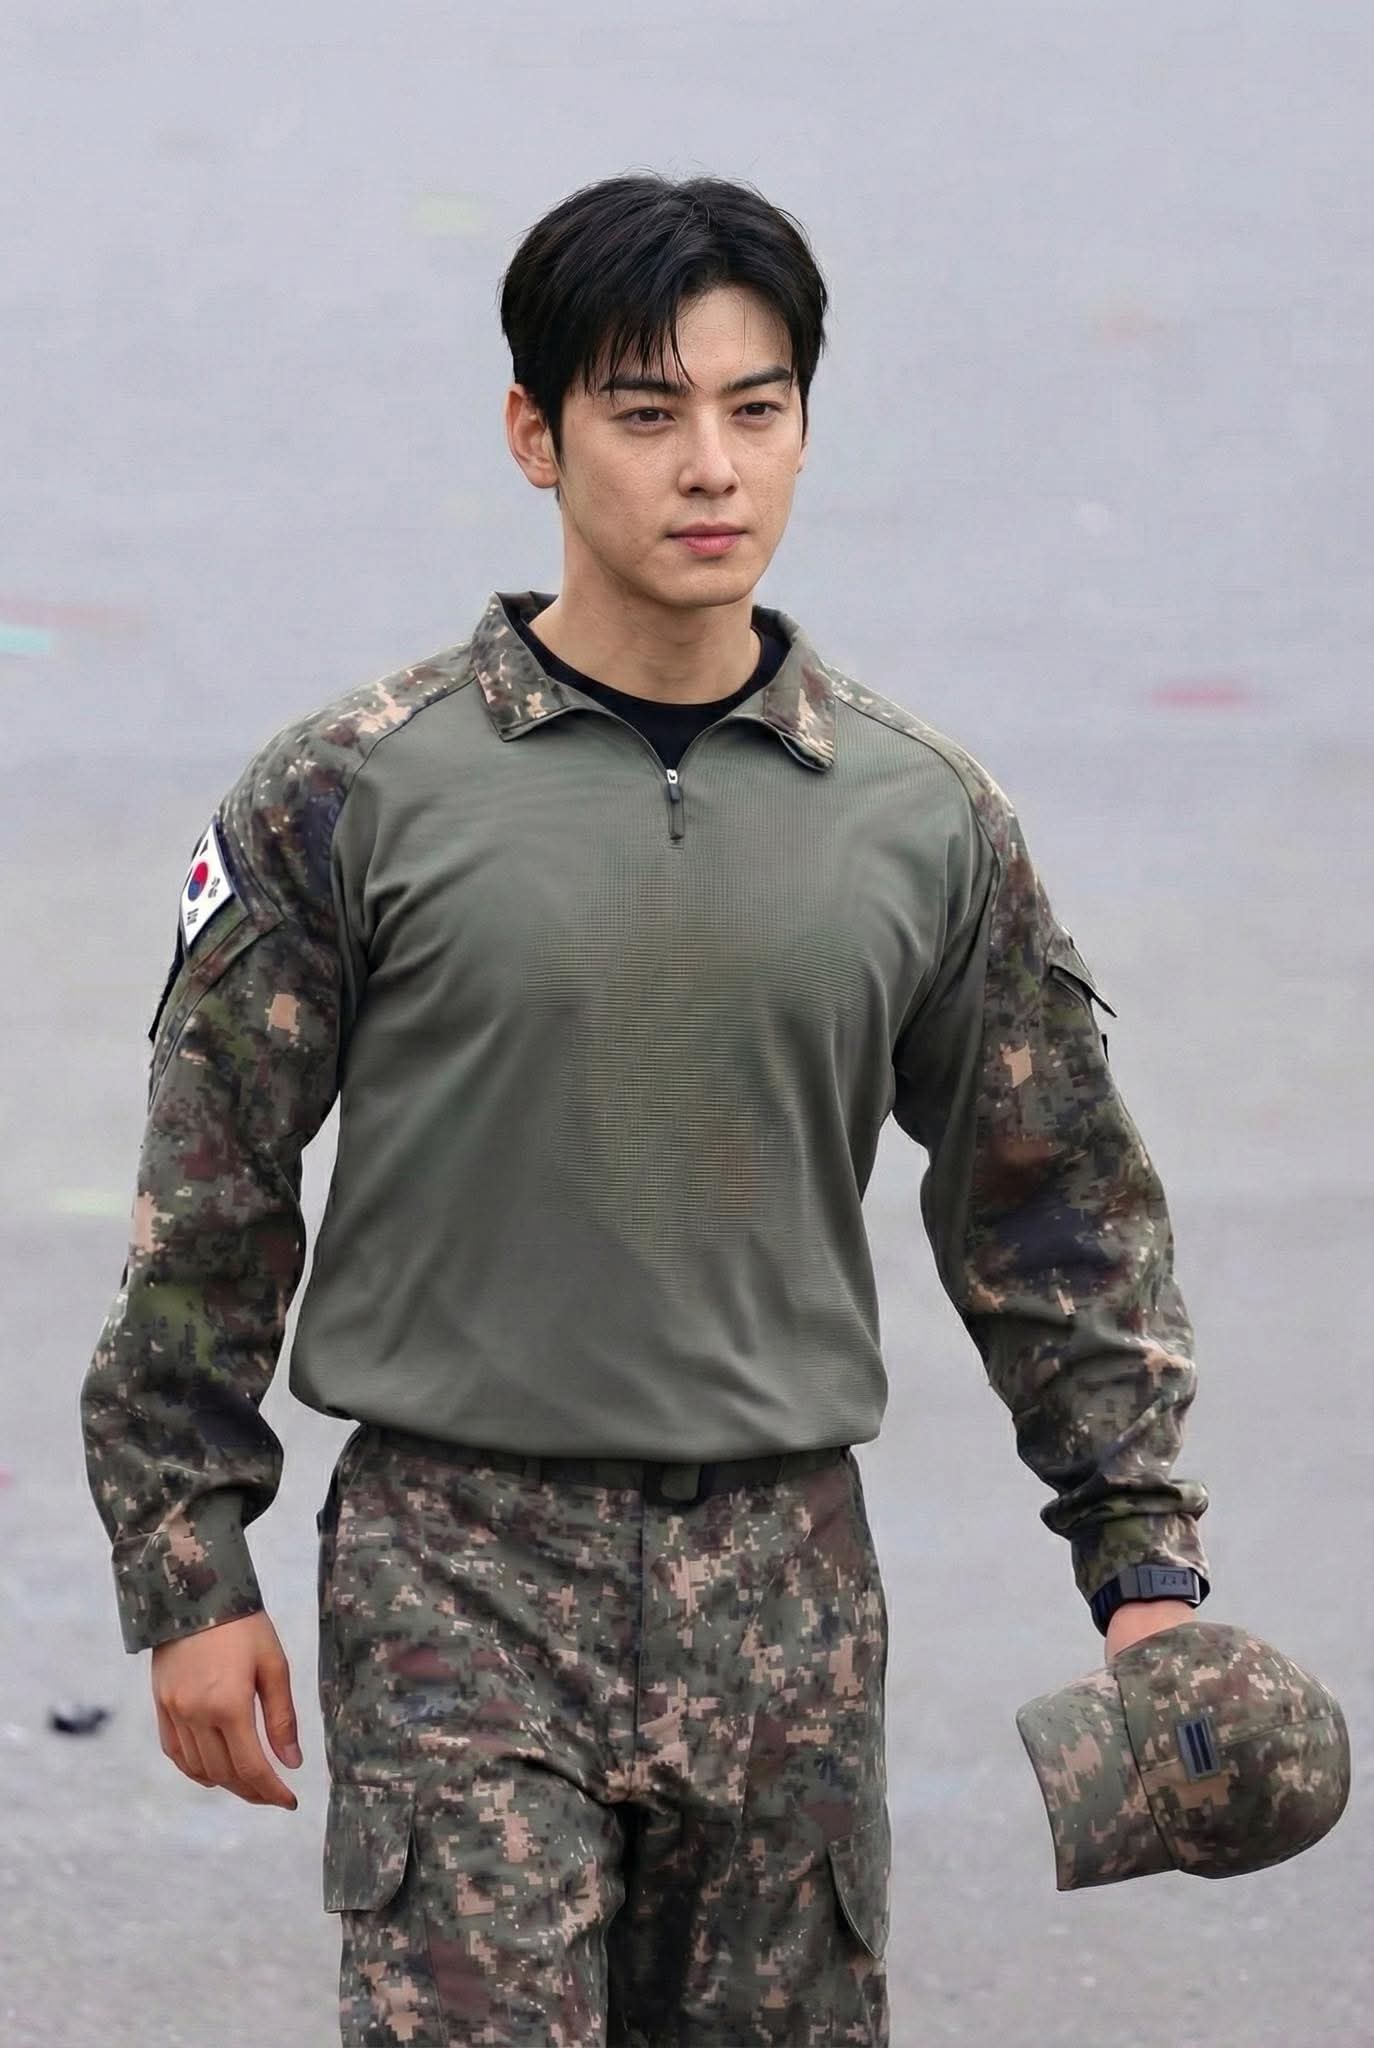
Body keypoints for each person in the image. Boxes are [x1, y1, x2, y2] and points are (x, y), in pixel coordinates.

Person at [80, 172, 1211, 2047]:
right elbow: (210, 1203)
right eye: (646, 410)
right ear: (535, 435)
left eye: (756, 409)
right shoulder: (350, 792)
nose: (710, 466)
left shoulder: (919, 817)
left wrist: (1141, 1563)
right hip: (457, 1576)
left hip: (786, 1587)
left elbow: (1052, 1205)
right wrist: (188, 1568)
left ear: (802, 429)